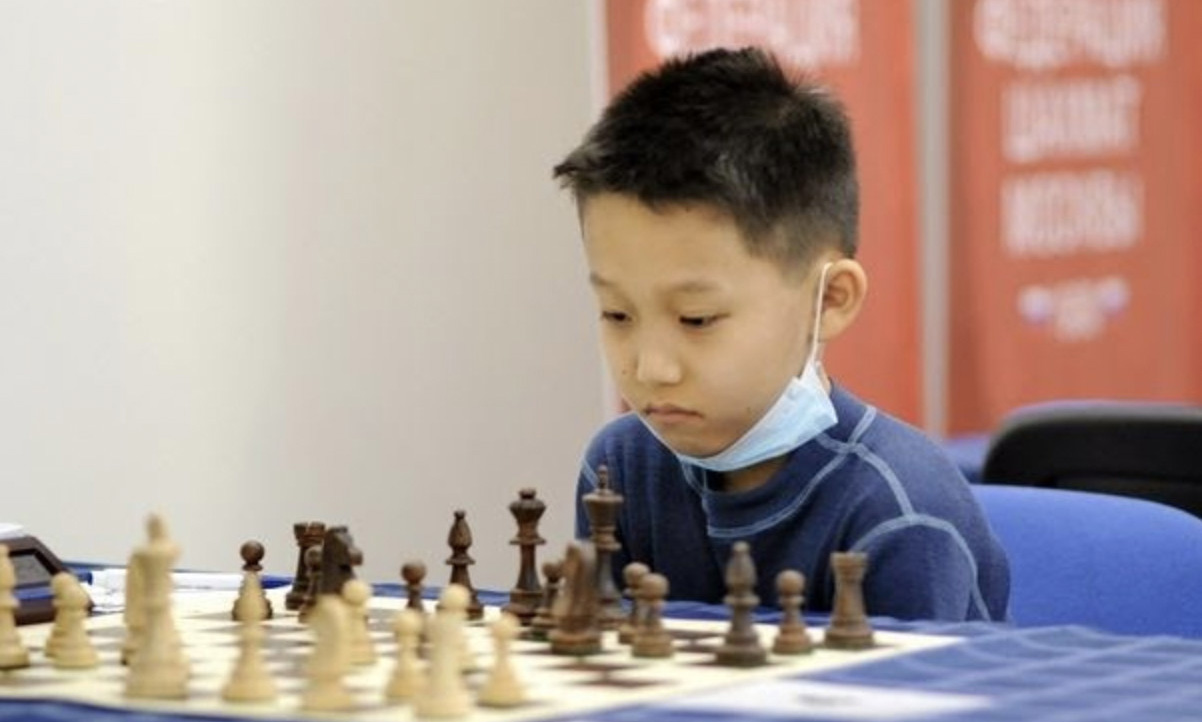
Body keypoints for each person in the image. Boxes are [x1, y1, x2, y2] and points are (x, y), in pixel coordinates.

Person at [553, 47, 1009, 622]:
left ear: (831, 300)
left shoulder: (898, 511)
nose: (650, 368)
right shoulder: (621, 468)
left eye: (697, 319)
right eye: (616, 314)